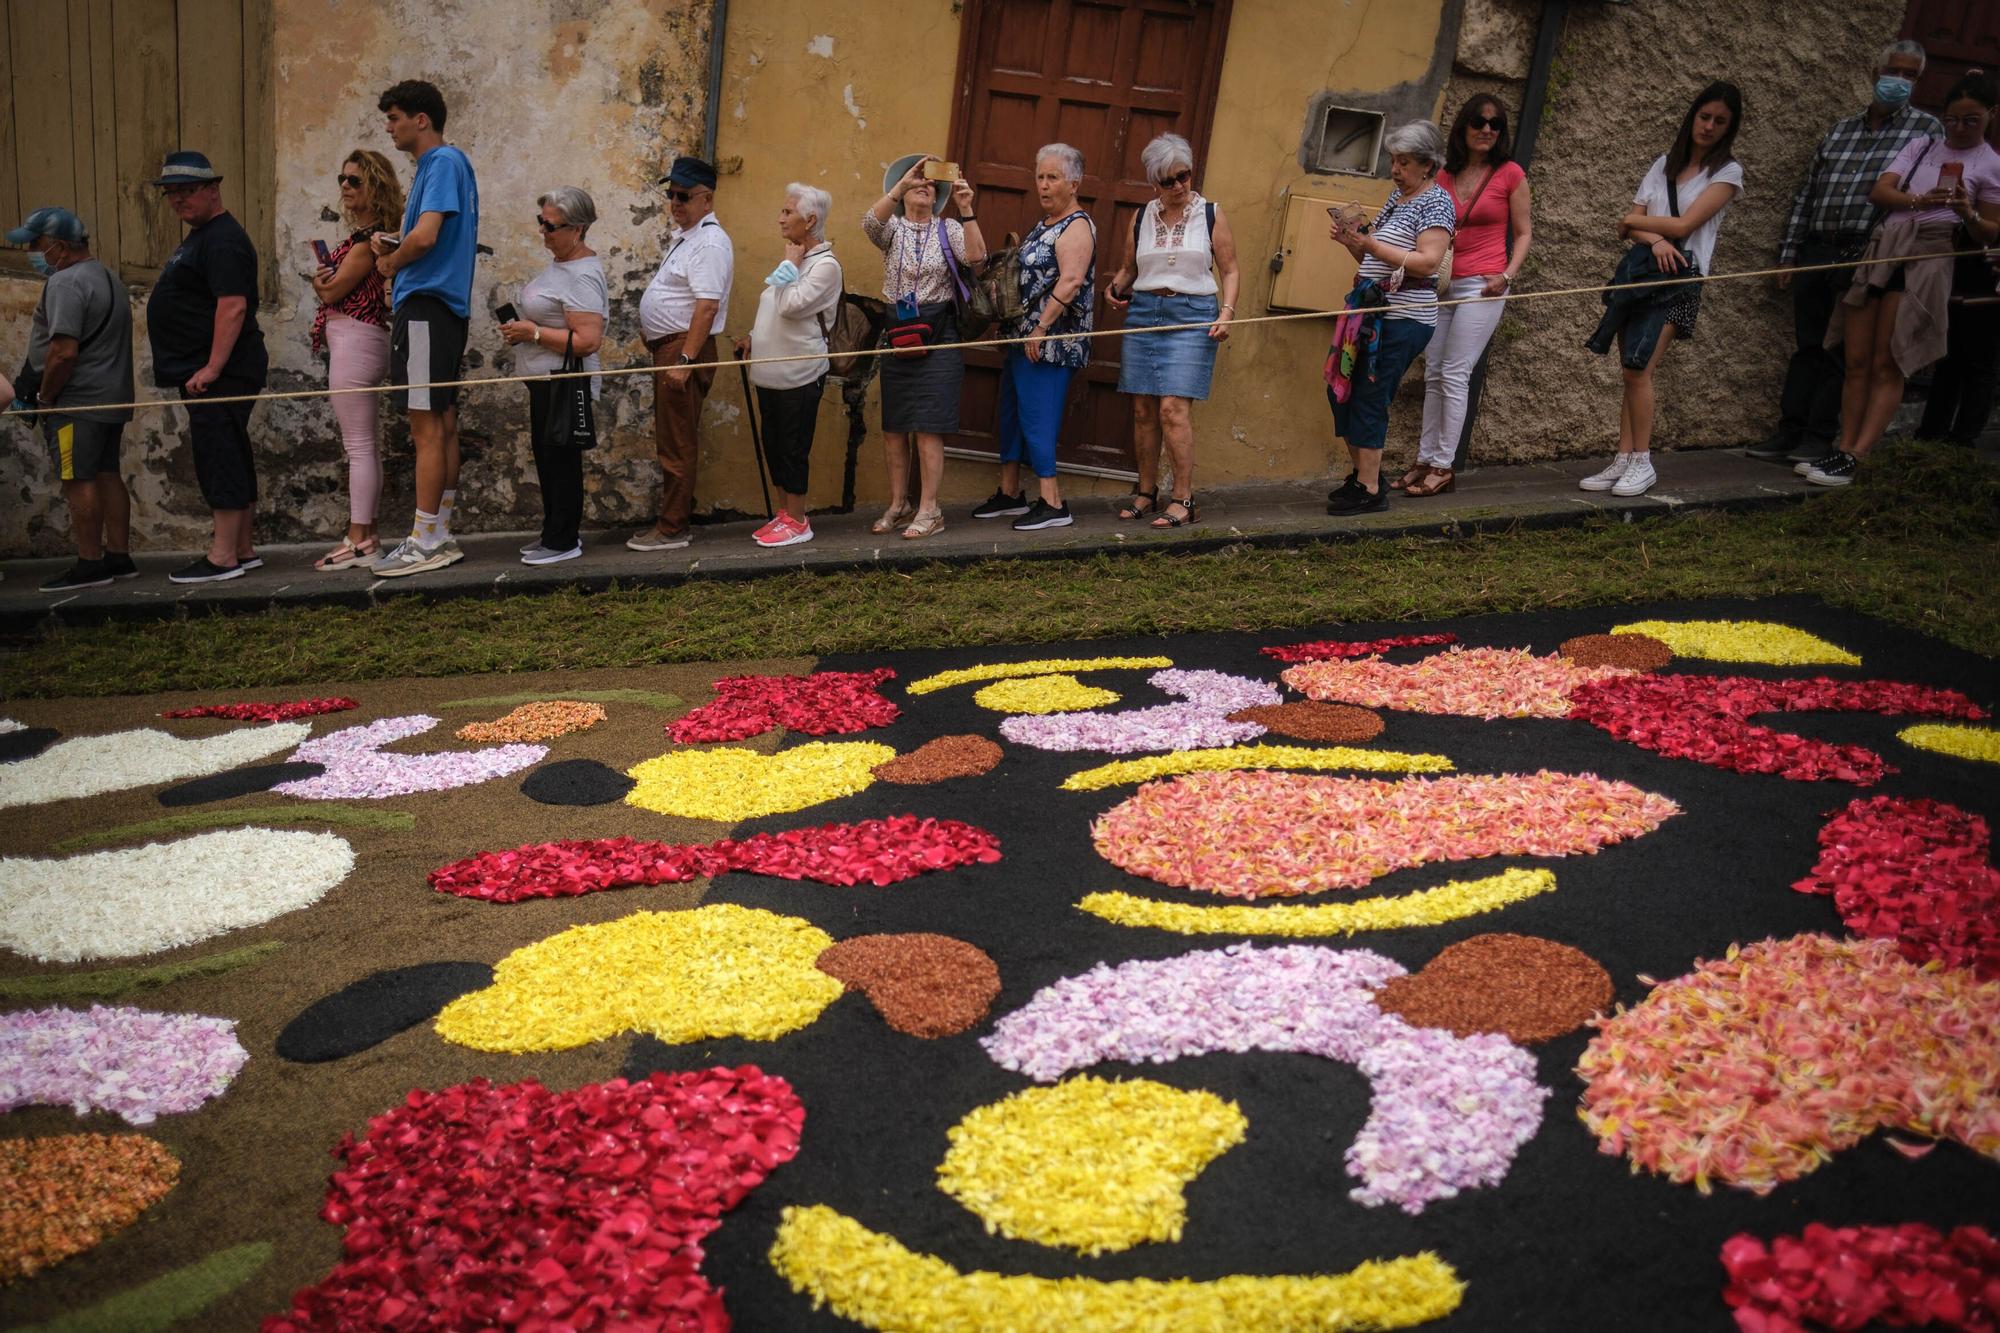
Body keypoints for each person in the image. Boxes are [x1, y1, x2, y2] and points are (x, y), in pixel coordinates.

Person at [1811, 71, 2000, 485]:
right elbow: (1880, 192)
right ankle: (1842, 446)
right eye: (1952, 119)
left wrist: (1966, 210)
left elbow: (1990, 230)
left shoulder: (1991, 164)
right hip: (1886, 245)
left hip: (1929, 254)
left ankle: (1859, 454)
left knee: (1888, 360)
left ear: (1990, 115)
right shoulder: (1922, 145)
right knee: (1856, 358)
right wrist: (1918, 199)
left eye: (1971, 120)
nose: (1960, 128)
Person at [1764, 40, 1940, 465]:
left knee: (1840, 348)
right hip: (1818, 247)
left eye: (1910, 75)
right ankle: (1788, 431)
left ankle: (1819, 437)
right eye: (1893, 71)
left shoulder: (1927, 131)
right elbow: (1807, 192)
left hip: (1867, 252)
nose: (1898, 81)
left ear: (1918, 81)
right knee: (1807, 343)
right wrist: (1789, 252)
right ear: (1874, 72)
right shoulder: (1840, 129)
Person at [1580, 82, 1745, 498]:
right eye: (1704, 116)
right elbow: (1630, 226)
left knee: (1639, 366)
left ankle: (1642, 461)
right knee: (1631, 371)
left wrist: (1641, 227)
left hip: (1681, 280)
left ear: (1729, 128)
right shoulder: (1663, 164)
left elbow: (1681, 225)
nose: (1709, 126)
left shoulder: (1727, 172)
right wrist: (1653, 239)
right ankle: (1623, 458)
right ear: (1692, 117)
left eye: (1719, 121)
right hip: (1639, 275)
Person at [371, 79, 480, 578]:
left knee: (424, 426)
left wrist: (391, 261)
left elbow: (427, 236)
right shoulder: (445, 166)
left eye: (394, 118)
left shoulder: (440, 163)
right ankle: (439, 530)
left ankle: (426, 538)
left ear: (421, 119)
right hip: (443, 309)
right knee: (442, 421)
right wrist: (398, 244)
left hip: (425, 307)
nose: (389, 127)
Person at [145, 151, 269, 584]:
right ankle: (242, 548)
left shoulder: (223, 239)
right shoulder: (203, 236)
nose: (177, 199)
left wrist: (213, 366)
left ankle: (223, 557)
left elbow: (232, 305)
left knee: (219, 454)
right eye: (170, 193)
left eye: (187, 190)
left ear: (212, 189)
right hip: (209, 370)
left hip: (220, 371)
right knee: (228, 450)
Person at [1103, 133, 1239, 527]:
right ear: (1154, 183)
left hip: (1193, 314)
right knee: (1144, 410)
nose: (1179, 186)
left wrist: (1226, 313)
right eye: (1168, 180)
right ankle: (1146, 493)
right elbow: (1131, 268)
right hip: (1145, 313)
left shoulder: (1211, 213)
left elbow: (1229, 269)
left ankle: (1184, 499)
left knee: (1173, 409)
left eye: (1184, 176)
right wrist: (1117, 286)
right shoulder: (1142, 216)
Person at [1324, 122, 1456, 515]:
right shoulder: (1396, 199)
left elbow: (1428, 262)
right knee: (1338, 387)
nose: (1395, 170)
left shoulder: (1437, 202)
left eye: (1404, 163)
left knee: (1370, 393)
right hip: (1367, 310)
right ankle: (1365, 475)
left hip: (1404, 317)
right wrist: (1355, 244)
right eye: (1393, 161)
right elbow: (1374, 262)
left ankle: (1368, 489)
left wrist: (1371, 244)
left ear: (1428, 166)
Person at [1404, 97, 1532, 498]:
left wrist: (1507, 276)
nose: (1487, 129)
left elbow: (1524, 232)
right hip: (1442, 284)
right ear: (1463, 127)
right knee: (1435, 372)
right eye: (1479, 121)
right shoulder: (1444, 174)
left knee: (1456, 373)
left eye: (1495, 124)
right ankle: (1424, 460)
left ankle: (1443, 466)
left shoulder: (1510, 174)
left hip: (1482, 285)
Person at [7, 207, 136, 592]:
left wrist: (46, 397)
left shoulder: (65, 283)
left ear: (59, 247)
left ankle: (90, 563)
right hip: (112, 397)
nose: (30, 251)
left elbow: (63, 351)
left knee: (77, 479)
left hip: (77, 402)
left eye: (36, 244)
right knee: (107, 473)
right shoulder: (108, 277)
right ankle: (118, 555)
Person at [974, 142, 1095, 531]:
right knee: (1011, 414)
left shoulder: (1076, 226)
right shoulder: (1043, 223)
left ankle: (1053, 502)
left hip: (1051, 343)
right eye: (1040, 177)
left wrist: (1041, 328)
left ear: (1074, 183)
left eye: (1053, 177)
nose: (1043, 185)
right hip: (1021, 340)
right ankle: (1010, 493)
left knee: (1038, 416)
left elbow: (1072, 280)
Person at [864, 155, 984, 539]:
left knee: (930, 426)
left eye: (931, 183)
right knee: (894, 426)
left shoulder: (948, 227)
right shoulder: (893, 228)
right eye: (917, 182)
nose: (924, 186)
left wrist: (966, 209)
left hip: (940, 331)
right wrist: (902, 182)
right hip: (898, 332)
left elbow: (977, 256)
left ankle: (930, 510)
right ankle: (899, 504)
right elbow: (869, 223)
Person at [500, 186, 608, 564]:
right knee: (547, 457)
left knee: (560, 460)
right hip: (546, 380)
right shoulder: (563, 264)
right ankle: (552, 533)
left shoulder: (582, 276)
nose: (543, 231)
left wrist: (532, 333)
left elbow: (588, 339)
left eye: (551, 225)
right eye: (540, 222)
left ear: (577, 229)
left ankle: (564, 540)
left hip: (564, 382)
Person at [631, 155, 732, 553]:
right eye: (671, 194)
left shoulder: (709, 241)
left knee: (677, 443)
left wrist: (685, 361)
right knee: (672, 438)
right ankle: (673, 520)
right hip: (670, 347)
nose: (675, 202)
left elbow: (706, 306)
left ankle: (672, 527)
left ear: (706, 200)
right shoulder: (689, 238)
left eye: (684, 196)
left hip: (682, 351)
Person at [308, 149, 401, 571]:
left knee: (359, 447)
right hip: (359, 339)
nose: (345, 187)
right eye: (342, 179)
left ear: (375, 187)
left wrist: (319, 282)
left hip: (355, 338)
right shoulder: (371, 236)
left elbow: (332, 293)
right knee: (364, 446)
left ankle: (359, 537)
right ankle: (366, 533)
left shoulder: (369, 240)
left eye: (355, 181)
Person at [738, 184, 842, 547]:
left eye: (788, 212)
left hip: (799, 373)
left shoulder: (825, 266)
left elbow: (791, 305)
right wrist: (752, 336)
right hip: (770, 373)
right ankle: (784, 514)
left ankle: (798, 521)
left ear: (810, 220)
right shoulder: (798, 260)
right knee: (775, 446)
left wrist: (788, 264)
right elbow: (772, 303)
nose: (781, 218)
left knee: (794, 447)